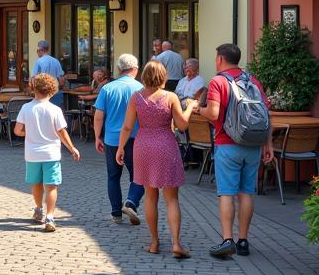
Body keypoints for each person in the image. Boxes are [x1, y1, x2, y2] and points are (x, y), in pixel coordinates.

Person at [115, 61, 198, 258]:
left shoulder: (136, 97)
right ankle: (176, 244)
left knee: (150, 197)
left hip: (143, 146)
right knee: (172, 199)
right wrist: (191, 106)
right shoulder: (170, 97)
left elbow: (127, 127)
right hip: (166, 145)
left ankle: (154, 243)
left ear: (144, 76)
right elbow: (182, 125)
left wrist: (120, 148)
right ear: (164, 77)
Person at [199, 43, 273, 259]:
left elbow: (213, 113)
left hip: (227, 143)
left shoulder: (218, 81)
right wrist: (268, 144)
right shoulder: (253, 80)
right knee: (246, 192)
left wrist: (198, 109)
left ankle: (227, 239)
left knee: (227, 193)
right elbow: (267, 115)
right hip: (253, 145)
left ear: (220, 59)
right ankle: (243, 241)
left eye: (215, 58)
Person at [12, 73, 81, 232]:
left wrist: (29, 133)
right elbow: (62, 132)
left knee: (36, 184)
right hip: (51, 154)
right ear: (52, 90)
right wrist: (72, 148)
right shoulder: (55, 109)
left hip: (32, 154)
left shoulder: (26, 108)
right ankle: (50, 216)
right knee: (51, 187)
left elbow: (17, 131)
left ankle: (38, 209)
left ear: (33, 88)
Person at [93, 53, 144, 226]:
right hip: (136, 138)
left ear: (119, 69)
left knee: (113, 176)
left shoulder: (108, 88)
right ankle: (131, 203)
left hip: (112, 139)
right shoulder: (140, 88)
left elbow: (99, 116)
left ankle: (116, 213)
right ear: (135, 69)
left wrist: (97, 136)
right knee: (137, 176)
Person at [31, 40, 66, 108]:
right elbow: (61, 81)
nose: (37, 53)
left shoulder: (39, 62)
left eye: (37, 50)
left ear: (41, 50)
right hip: (55, 94)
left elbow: (33, 79)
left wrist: (33, 92)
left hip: (43, 94)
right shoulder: (56, 61)